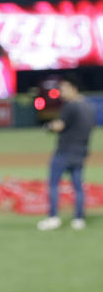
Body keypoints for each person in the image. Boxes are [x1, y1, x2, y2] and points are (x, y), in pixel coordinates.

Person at [37, 77, 96, 231]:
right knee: (78, 186)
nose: (61, 92)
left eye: (64, 89)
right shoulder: (89, 106)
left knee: (54, 184)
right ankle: (78, 218)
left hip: (65, 151)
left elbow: (59, 125)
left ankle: (53, 217)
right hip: (81, 151)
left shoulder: (70, 106)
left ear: (73, 88)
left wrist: (48, 127)